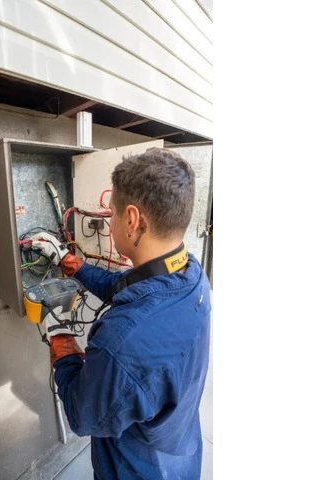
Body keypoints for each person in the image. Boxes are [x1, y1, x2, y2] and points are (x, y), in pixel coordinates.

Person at [31, 147, 211, 480]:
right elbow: (127, 287)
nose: (109, 223)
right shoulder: (190, 274)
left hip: (135, 469)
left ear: (132, 220)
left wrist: (61, 342)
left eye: (111, 214)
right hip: (180, 451)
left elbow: (83, 415)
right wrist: (69, 262)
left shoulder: (121, 342)